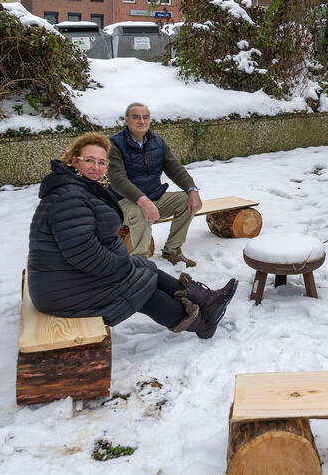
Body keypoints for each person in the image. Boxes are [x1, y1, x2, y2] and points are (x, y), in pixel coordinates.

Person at [28, 132, 237, 339]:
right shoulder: (68, 196)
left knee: (144, 268)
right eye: (89, 160)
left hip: (69, 276)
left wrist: (122, 261)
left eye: (101, 162)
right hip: (62, 291)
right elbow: (85, 254)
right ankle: (202, 325)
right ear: (74, 161)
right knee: (136, 288)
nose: (96, 167)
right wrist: (121, 264)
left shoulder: (80, 187)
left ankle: (207, 301)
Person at [107, 102, 202, 267]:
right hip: (123, 202)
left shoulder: (156, 141)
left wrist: (192, 190)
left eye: (145, 117)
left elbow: (174, 168)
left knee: (185, 199)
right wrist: (142, 200)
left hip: (155, 197)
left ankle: (172, 251)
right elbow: (117, 179)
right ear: (126, 121)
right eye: (136, 117)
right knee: (140, 210)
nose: (141, 121)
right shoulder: (114, 144)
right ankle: (140, 261)